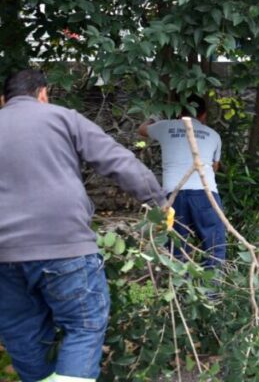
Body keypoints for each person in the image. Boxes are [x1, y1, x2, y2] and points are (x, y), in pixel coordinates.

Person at [0, 69, 167, 382]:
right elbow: (117, 160)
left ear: (3, 100)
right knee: (84, 324)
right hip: (64, 245)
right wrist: (158, 201)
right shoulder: (62, 118)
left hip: (3, 257)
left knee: (22, 334)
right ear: (43, 94)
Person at [139, 95, 226, 268]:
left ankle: (179, 290)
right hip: (206, 194)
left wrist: (155, 115)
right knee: (215, 246)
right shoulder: (214, 135)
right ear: (203, 115)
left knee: (175, 247)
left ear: (178, 112)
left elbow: (142, 129)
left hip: (173, 195)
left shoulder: (165, 127)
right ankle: (211, 292)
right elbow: (215, 167)